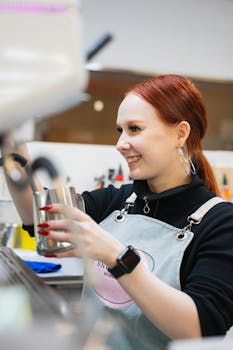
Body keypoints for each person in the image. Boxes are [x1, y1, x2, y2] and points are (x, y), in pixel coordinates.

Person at [5, 74, 233, 350]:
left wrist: (118, 257)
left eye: (134, 129)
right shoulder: (121, 200)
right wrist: (11, 148)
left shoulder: (221, 223)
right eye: (120, 130)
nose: (120, 143)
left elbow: (199, 328)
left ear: (180, 133)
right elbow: (41, 216)